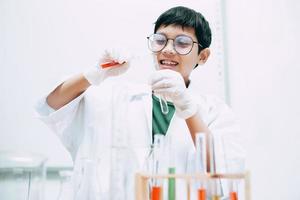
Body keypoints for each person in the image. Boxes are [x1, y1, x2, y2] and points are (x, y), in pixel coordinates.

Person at [35, 6, 245, 200]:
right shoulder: (115, 96)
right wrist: (94, 74)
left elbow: (223, 177)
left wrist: (188, 109)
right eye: (160, 40)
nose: (168, 50)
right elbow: (52, 105)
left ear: (203, 56)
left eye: (182, 43)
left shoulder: (214, 112)